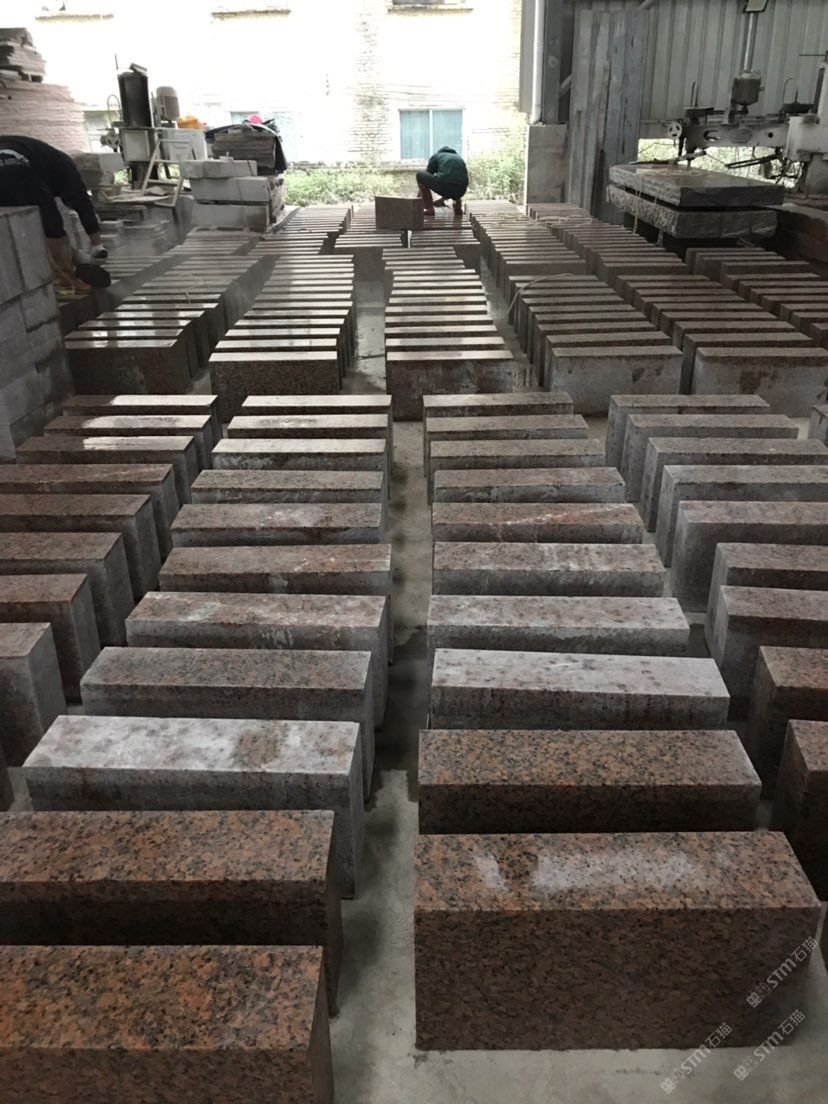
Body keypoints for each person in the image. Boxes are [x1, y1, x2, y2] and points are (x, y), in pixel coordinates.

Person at [0, 135, 107, 289]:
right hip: (14, 167)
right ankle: (66, 282)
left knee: (17, 225)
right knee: (51, 221)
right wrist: (97, 245)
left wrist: (77, 257)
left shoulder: (42, 156)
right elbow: (82, 203)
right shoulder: (65, 166)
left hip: (12, 164)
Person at [416, 145, 468, 217]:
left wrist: (417, 200)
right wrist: (442, 200)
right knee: (455, 179)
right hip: (462, 190)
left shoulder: (436, 156)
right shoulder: (458, 157)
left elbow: (426, 178)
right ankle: (458, 207)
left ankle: (429, 209)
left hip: (444, 186)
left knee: (420, 175)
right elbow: (453, 180)